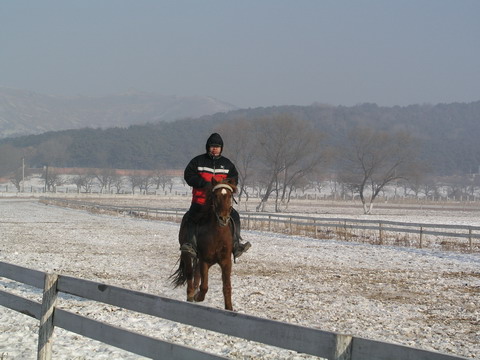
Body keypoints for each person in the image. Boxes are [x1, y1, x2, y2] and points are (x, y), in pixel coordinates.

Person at [181, 132, 251, 259]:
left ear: (221, 148)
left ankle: (236, 245)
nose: (215, 149)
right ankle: (190, 244)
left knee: (235, 215)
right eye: (212, 146)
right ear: (207, 147)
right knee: (191, 217)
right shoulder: (197, 161)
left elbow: (234, 179)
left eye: (217, 146)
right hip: (200, 201)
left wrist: (225, 186)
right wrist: (203, 183)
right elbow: (188, 175)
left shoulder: (227, 164)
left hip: (220, 203)